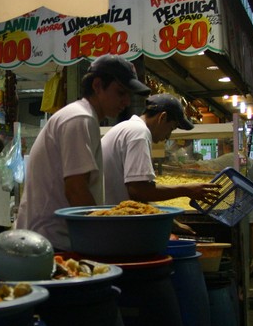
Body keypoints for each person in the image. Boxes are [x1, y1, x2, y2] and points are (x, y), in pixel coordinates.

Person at [15, 55, 151, 250]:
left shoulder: (84, 117)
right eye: (121, 92)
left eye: (129, 95)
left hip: (51, 239)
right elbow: (76, 189)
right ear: (97, 86)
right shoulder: (79, 118)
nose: (126, 101)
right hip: (50, 242)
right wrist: (100, 239)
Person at [101, 93, 220, 206]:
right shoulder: (139, 133)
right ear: (162, 117)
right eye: (171, 128)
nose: (168, 136)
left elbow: (139, 194)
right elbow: (139, 190)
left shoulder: (130, 128)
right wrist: (186, 190)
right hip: (110, 221)